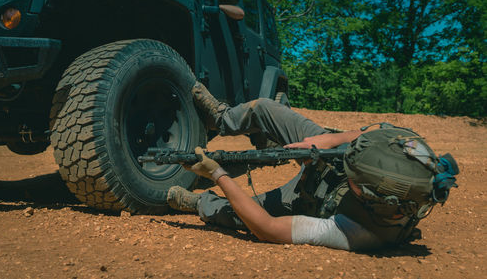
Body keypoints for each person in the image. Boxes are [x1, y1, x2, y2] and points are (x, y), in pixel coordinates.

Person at [165, 82, 459, 251]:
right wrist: (326, 143)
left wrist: (217, 173)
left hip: (307, 198)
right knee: (265, 109)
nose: (350, 165)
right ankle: (222, 118)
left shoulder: (360, 233)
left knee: (240, 213)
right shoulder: (408, 148)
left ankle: (200, 203)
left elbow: (267, 229)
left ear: (373, 200)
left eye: (354, 177)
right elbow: (364, 135)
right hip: (326, 150)